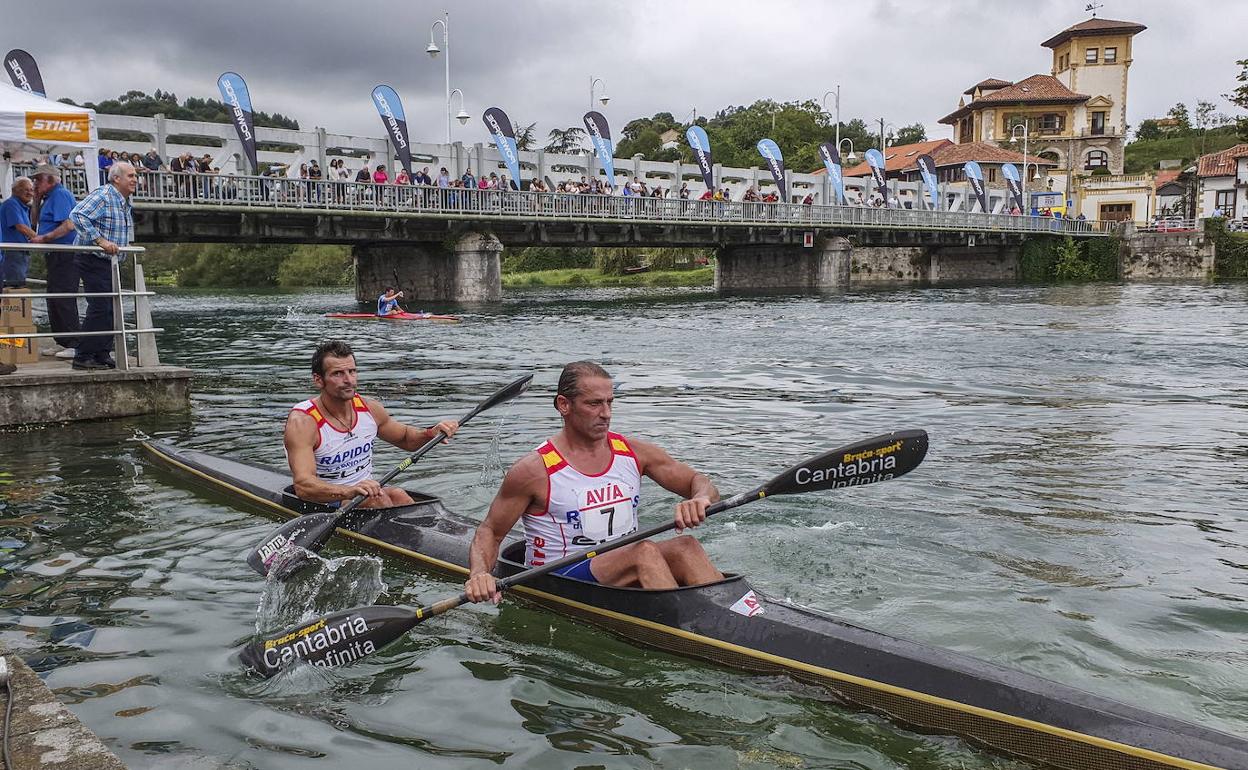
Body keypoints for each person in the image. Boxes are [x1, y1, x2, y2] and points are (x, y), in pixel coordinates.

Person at [465, 361, 724, 604]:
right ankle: (689, 630)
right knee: (643, 552)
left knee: (686, 546)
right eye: (594, 404)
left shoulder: (633, 452)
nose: (606, 414)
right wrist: (479, 574)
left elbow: (697, 480)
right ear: (564, 405)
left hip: (623, 562)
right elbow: (490, 531)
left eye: (610, 402)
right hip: (558, 575)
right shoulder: (534, 470)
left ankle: (737, 617)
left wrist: (700, 497)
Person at [285, 339, 460, 508]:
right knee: (378, 500)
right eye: (338, 374)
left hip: (366, 495)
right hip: (325, 501)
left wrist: (430, 433)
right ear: (318, 380)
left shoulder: (369, 409)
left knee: (400, 495)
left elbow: (406, 438)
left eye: (352, 371)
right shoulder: (303, 422)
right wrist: (349, 491)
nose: (349, 380)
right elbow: (304, 486)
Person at [67, 162, 137, 370]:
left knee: (111, 308)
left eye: (135, 176)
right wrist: (100, 241)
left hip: (109, 262)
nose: (135, 180)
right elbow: (77, 215)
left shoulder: (123, 200)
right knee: (100, 307)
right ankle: (83, 355)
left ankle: (101, 352)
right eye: (131, 176)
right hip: (92, 258)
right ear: (116, 178)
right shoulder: (104, 195)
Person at [33, 165, 81, 358]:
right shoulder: (47, 199)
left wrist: (45, 238)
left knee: (64, 296)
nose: (35, 184)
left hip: (65, 253)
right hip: (54, 253)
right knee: (53, 297)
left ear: (51, 180)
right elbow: (34, 222)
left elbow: (68, 225)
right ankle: (61, 340)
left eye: (39, 180)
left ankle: (74, 343)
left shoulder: (61, 195)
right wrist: (35, 201)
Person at [1, 176, 37, 288]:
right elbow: (20, 226)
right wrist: (41, 238)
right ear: (15, 190)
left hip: (19, 252)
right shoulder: (12, 204)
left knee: (18, 284)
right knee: (15, 287)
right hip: (12, 253)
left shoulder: (22, 207)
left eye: (31, 190)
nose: (30, 193)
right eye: (26, 189)